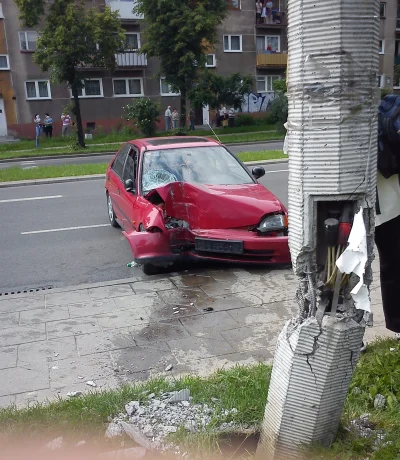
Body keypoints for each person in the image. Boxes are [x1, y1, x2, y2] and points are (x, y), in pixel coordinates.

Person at [374, 94, 400, 341]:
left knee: (347, 268)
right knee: (393, 265)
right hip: (391, 199)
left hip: (353, 202)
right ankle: (398, 325)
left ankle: (351, 334)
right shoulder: (384, 111)